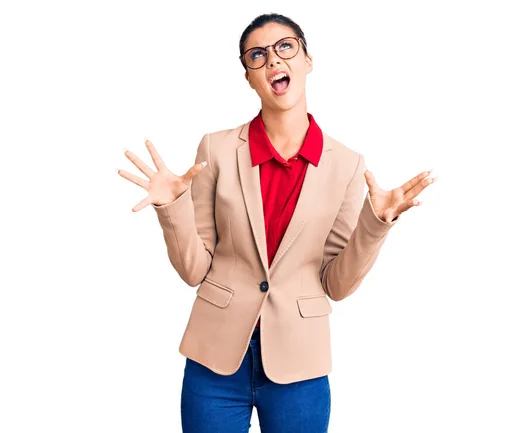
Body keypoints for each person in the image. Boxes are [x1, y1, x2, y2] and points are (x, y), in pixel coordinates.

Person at [117, 12, 436, 433]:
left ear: (306, 60)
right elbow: (194, 270)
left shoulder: (346, 164)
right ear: (249, 77)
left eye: (285, 47)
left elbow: (336, 285)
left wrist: (375, 223)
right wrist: (172, 207)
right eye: (257, 55)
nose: (273, 60)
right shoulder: (216, 148)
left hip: (299, 364)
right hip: (215, 360)